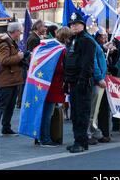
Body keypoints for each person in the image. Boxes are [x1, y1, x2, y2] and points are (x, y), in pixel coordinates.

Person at [63, 12, 96, 153]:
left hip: (82, 82)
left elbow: (87, 63)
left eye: (76, 24)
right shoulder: (71, 41)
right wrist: (66, 81)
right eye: (72, 24)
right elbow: (68, 62)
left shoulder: (87, 41)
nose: (74, 26)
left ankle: (82, 142)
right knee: (75, 113)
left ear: (83, 25)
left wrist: (83, 80)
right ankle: (78, 140)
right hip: (73, 81)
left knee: (82, 113)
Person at [0, 22, 24, 137]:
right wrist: (18, 57)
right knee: (1, 105)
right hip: (6, 79)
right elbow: (3, 61)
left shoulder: (11, 42)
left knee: (10, 105)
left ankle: (6, 128)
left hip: (13, 78)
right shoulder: (5, 44)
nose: (21, 33)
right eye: (20, 31)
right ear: (15, 32)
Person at [37, 27, 70, 147]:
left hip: (50, 85)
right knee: (47, 113)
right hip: (53, 85)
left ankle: (42, 137)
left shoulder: (55, 48)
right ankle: (44, 138)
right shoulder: (61, 50)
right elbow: (57, 68)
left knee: (47, 112)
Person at [87, 27, 109, 144]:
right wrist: (99, 77)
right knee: (92, 108)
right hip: (96, 80)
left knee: (95, 109)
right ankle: (89, 133)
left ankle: (94, 131)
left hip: (98, 79)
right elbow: (94, 62)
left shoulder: (93, 42)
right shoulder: (91, 42)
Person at [17, 19, 46, 108]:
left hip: (31, 65)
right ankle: (21, 102)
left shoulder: (36, 37)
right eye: (44, 26)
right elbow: (32, 53)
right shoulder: (34, 38)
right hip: (31, 65)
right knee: (26, 84)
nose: (45, 28)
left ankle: (21, 102)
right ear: (38, 27)